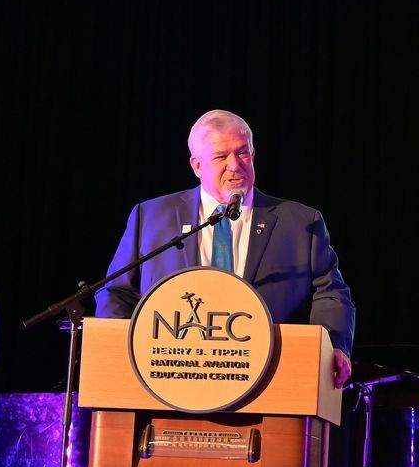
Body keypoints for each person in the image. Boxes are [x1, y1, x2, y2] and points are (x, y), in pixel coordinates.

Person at [97, 109, 355, 386]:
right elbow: (117, 292)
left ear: (253, 155)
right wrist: (120, 353)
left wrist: (333, 345)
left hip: (271, 376)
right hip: (170, 375)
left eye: (242, 153)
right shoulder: (151, 217)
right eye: (221, 157)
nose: (234, 165)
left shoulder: (300, 222)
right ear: (197, 166)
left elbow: (330, 293)